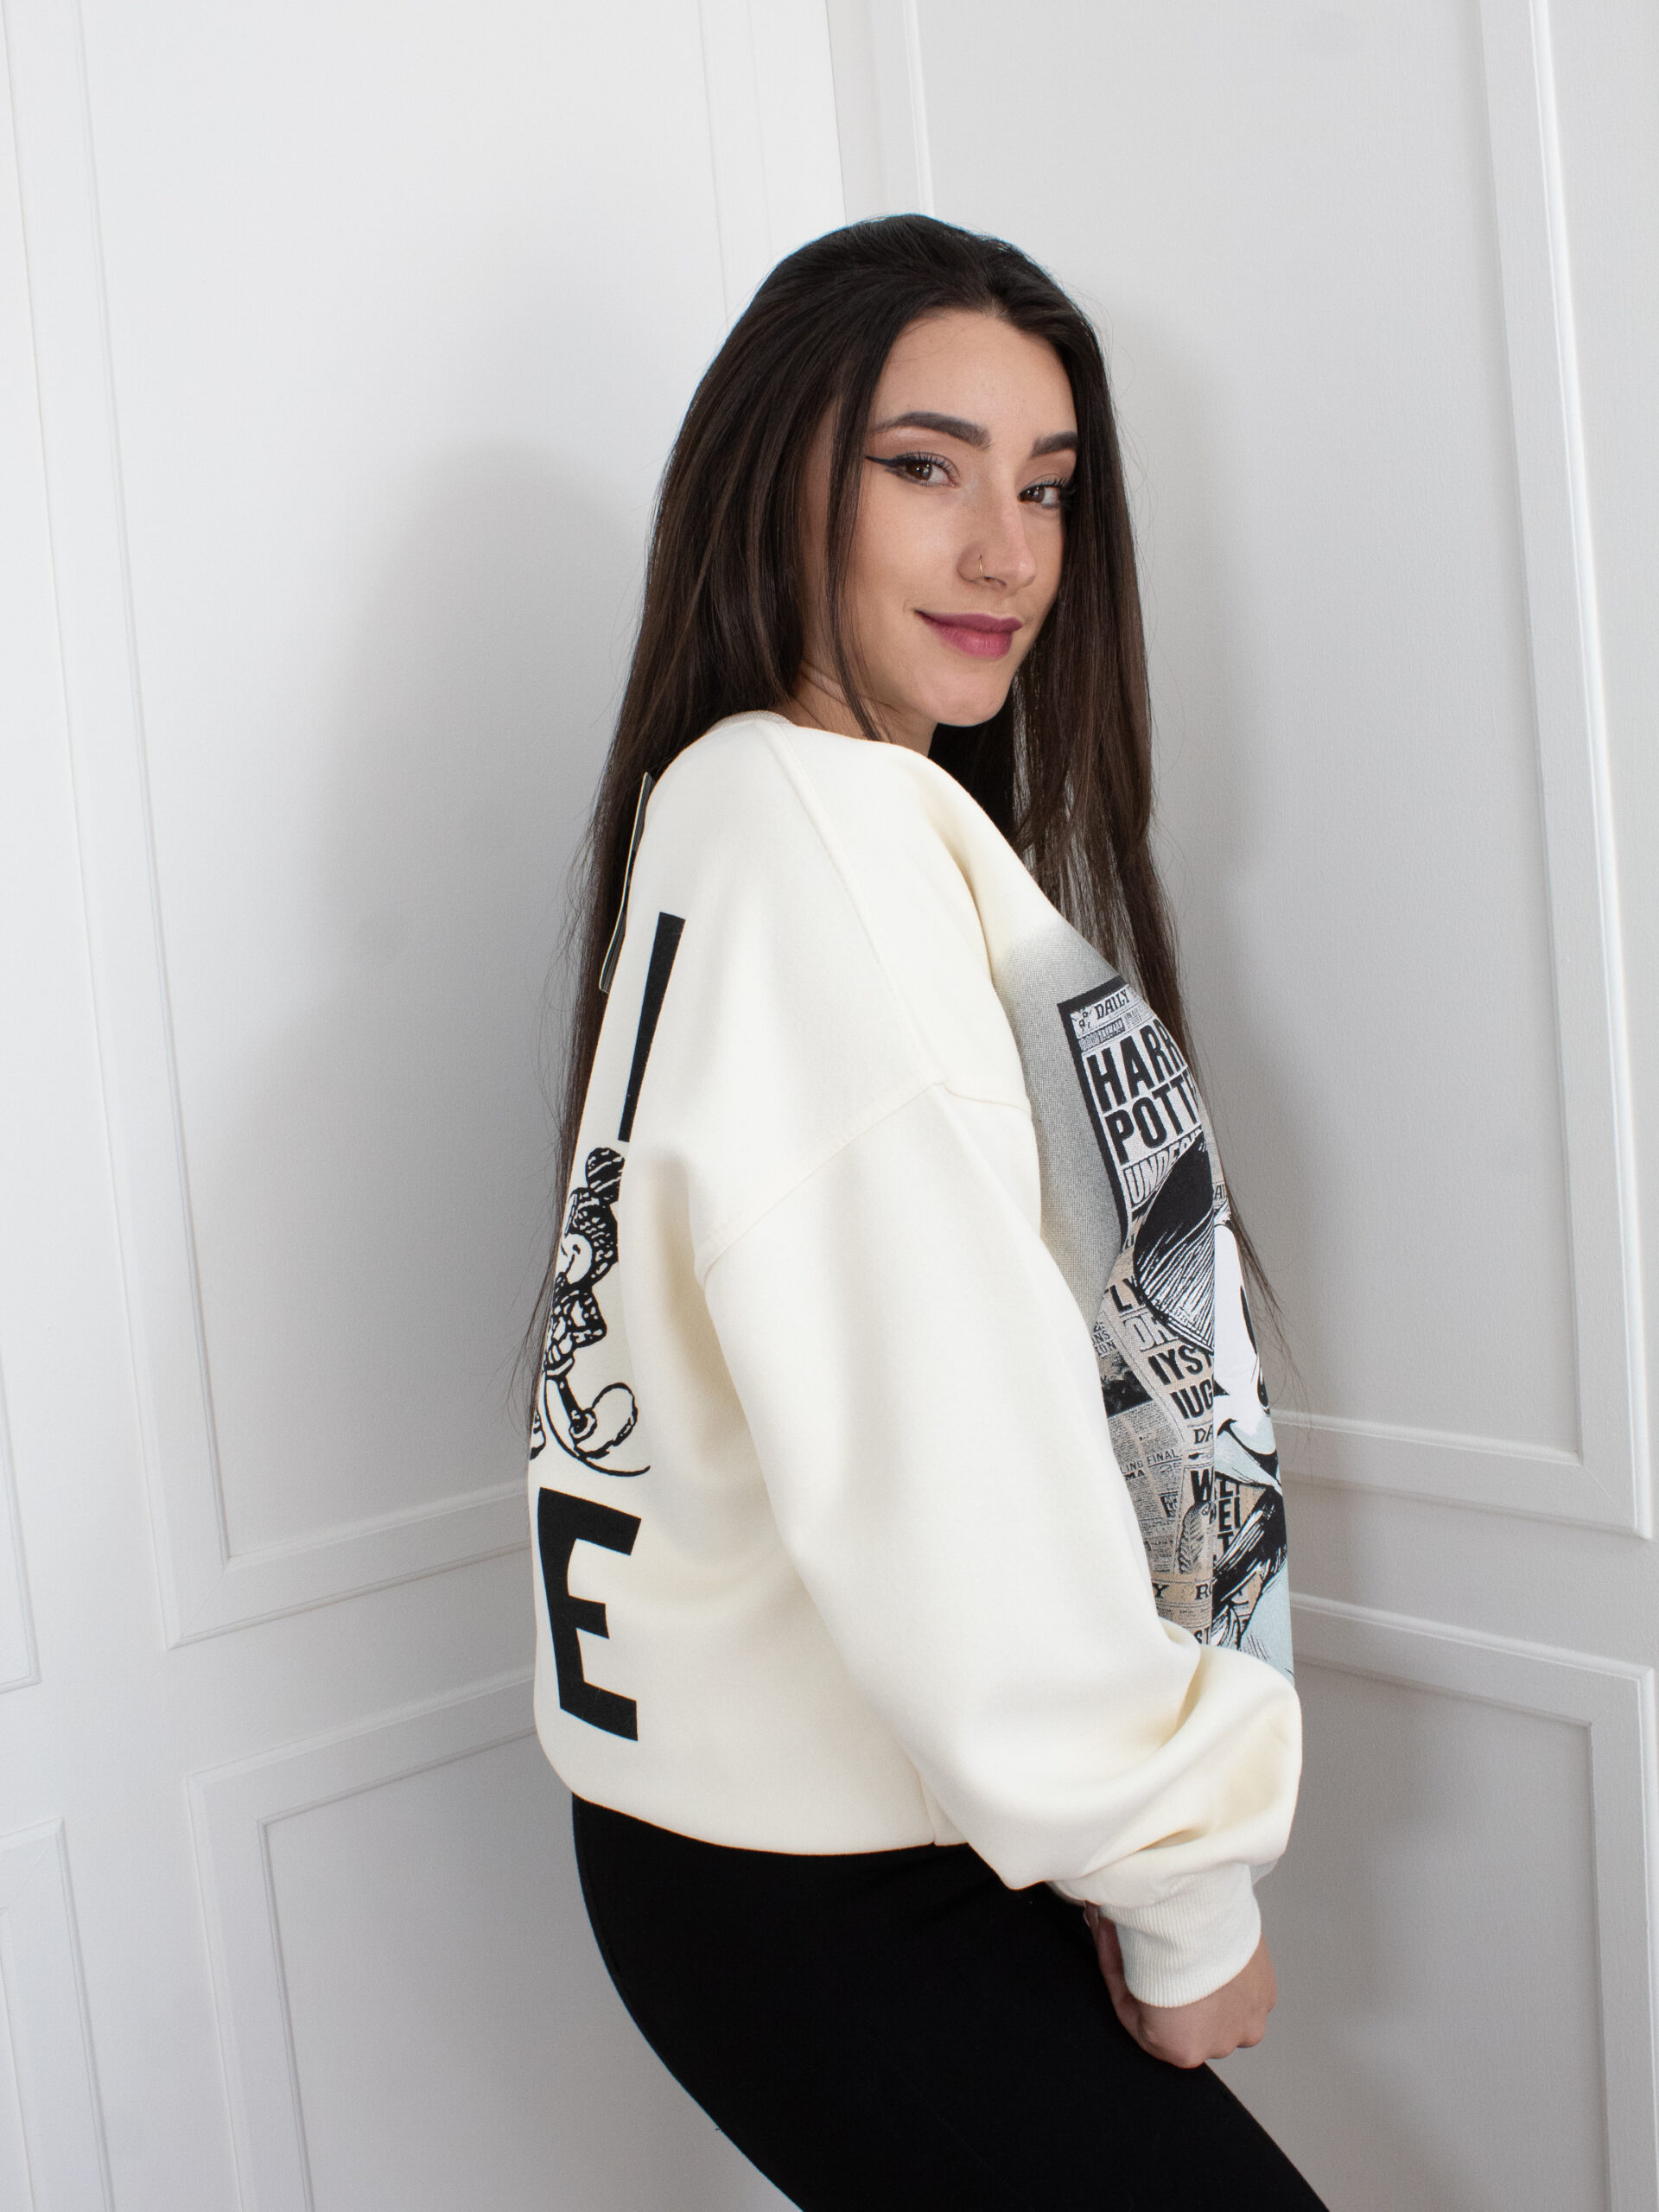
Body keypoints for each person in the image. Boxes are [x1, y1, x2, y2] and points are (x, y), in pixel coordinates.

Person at [525, 214, 1325, 2209]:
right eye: (923, 467)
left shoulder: (734, 801)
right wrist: (1181, 1889)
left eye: (1046, 487)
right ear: (772, 475)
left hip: (758, 1835)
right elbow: (955, 1445)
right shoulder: (822, 838)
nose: (1007, 553)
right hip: (836, 1877)